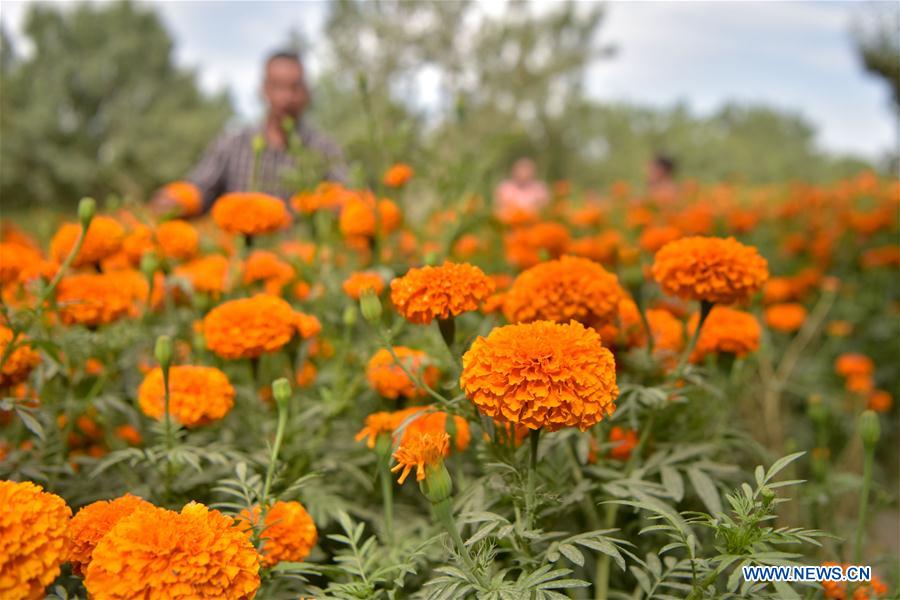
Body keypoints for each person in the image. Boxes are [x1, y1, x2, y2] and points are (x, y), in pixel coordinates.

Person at [152, 51, 347, 214]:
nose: (287, 98)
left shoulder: (323, 149)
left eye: (295, 88)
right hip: (242, 254)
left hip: (302, 255)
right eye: (278, 86)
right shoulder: (232, 144)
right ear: (264, 90)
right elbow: (199, 187)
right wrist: (177, 200)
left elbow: (345, 198)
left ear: (306, 93)